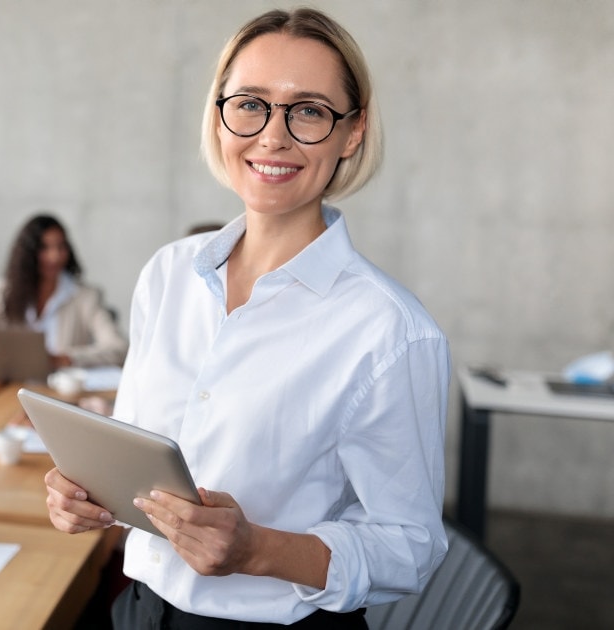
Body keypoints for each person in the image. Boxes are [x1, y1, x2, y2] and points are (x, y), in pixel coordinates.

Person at [44, 8, 450, 628]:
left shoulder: (389, 330)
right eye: (251, 103)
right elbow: (133, 452)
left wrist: (259, 549)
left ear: (353, 131)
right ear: (219, 113)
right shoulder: (168, 273)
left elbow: (411, 546)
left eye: (309, 110)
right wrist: (83, 493)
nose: (273, 136)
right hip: (137, 609)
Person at [0, 213, 127, 369]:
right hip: (9, 391)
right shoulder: (4, 291)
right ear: (28, 253)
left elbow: (119, 348)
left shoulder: (85, 297)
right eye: (44, 248)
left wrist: (65, 358)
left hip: (60, 394)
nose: (54, 256)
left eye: (61, 247)